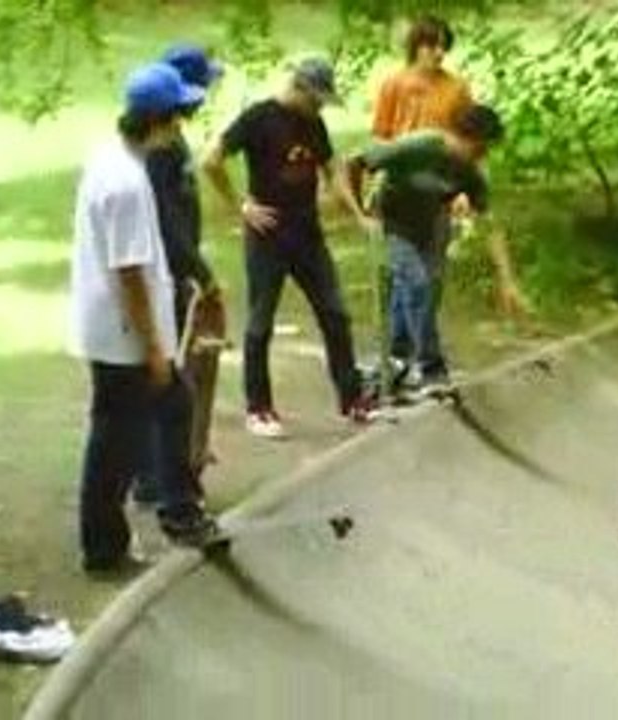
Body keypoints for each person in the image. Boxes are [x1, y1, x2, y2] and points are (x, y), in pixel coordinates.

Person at [69, 63, 222, 578]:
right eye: (177, 115)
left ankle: (163, 517)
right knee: (120, 439)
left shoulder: (111, 158)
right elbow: (130, 271)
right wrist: (153, 347)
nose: (181, 126)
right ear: (160, 119)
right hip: (123, 334)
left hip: (111, 327)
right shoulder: (127, 184)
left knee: (151, 416)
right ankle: (112, 545)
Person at [203, 56, 376, 438]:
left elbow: (331, 169)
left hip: (307, 234)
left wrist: (356, 212)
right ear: (299, 88)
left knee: (335, 313)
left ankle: (351, 398)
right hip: (268, 235)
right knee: (260, 323)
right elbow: (211, 160)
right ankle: (259, 408)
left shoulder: (314, 123)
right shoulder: (258, 118)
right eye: (316, 100)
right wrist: (241, 206)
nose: (319, 108)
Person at [348, 103, 513, 391]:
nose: (482, 156)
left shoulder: (470, 172)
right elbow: (356, 160)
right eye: (479, 148)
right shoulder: (419, 146)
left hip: (433, 225)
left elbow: (490, 225)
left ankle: (396, 358)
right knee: (416, 283)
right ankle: (432, 368)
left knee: (422, 293)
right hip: (396, 223)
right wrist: (358, 209)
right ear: (460, 136)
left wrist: (507, 279)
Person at [132, 44, 224, 507]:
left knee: (175, 378)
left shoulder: (173, 139)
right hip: (166, 274)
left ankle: (171, 466)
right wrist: (200, 272)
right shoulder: (160, 150)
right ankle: (157, 479)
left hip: (178, 272)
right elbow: (166, 220)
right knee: (166, 382)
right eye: (203, 86)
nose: (206, 96)